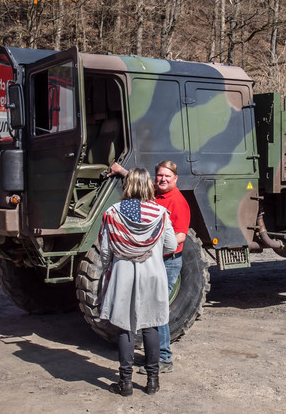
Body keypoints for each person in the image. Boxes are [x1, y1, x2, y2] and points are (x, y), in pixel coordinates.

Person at [99, 168, 177, 396]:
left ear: (127, 185)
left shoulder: (113, 212)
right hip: (152, 273)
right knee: (150, 325)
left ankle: (126, 383)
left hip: (123, 274)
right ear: (148, 185)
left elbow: (105, 251)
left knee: (125, 327)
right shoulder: (161, 213)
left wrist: (109, 266)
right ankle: (153, 381)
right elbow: (171, 245)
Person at [109, 160, 191, 373]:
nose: (162, 180)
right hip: (153, 259)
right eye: (159, 176)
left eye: (167, 177)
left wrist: (151, 247)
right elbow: (138, 181)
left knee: (157, 309)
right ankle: (153, 355)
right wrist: (121, 171)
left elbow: (180, 236)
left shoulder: (178, 202)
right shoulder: (154, 191)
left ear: (176, 178)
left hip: (168, 261)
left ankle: (163, 358)